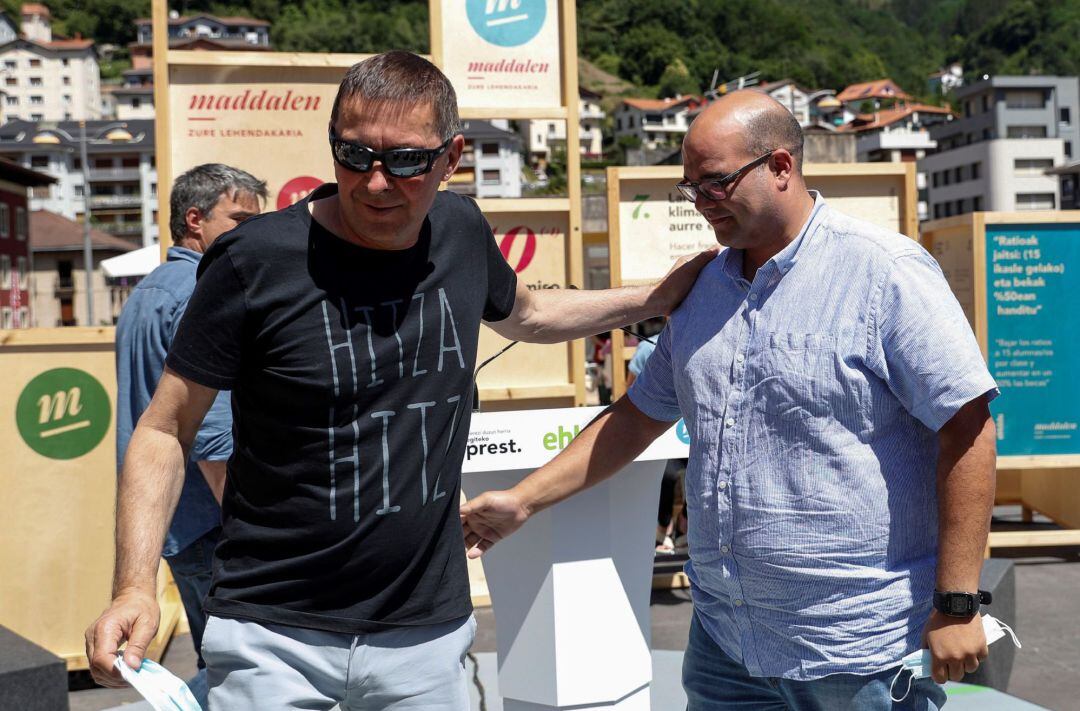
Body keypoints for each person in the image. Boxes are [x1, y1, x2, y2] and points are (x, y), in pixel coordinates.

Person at [85, 51, 713, 710]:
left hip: (426, 639)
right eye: (354, 156)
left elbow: (528, 313)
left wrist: (653, 297)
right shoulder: (253, 260)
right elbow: (164, 427)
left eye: (407, 161)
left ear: (453, 157)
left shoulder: (461, 230)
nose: (377, 183)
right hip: (273, 635)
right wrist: (134, 584)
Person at [460, 90, 999, 710]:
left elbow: (969, 428)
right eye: (690, 188)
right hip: (727, 640)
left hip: (856, 647)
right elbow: (636, 417)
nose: (701, 203)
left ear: (780, 167)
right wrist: (525, 500)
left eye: (714, 183)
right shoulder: (704, 287)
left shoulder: (885, 273)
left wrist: (958, 602)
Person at [113, 163, 266, 707]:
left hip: (179, 521)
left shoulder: (148, 290)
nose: (253, 232)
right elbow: (213, 439)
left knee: (223, 667)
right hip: (212, 522)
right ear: (194, 220)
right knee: (241, 676)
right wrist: (252, 538)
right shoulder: (199, 292)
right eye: (240, 219)